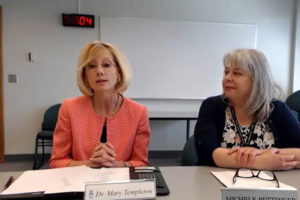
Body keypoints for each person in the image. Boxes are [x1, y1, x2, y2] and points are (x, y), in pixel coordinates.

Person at [194, 48, 300, 171]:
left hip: (270, 186)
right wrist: (260, 161)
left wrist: (262, 154)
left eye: (237, 73)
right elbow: (207, 153)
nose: (228, 77)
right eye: (226, 72)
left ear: (257, 80)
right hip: (217, 184)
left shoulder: (277, 109)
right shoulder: (211, 106)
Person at [49, 41, 150, 168]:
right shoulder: (69, 108)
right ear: (85, 76)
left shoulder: (138, 112)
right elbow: (57, 161)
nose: (100, 71)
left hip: (120, 185)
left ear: (119, 72)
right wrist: (89, 164)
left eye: (106, 65)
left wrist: (114, 165)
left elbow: (141, 163)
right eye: (91, 66)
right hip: (79, 182)